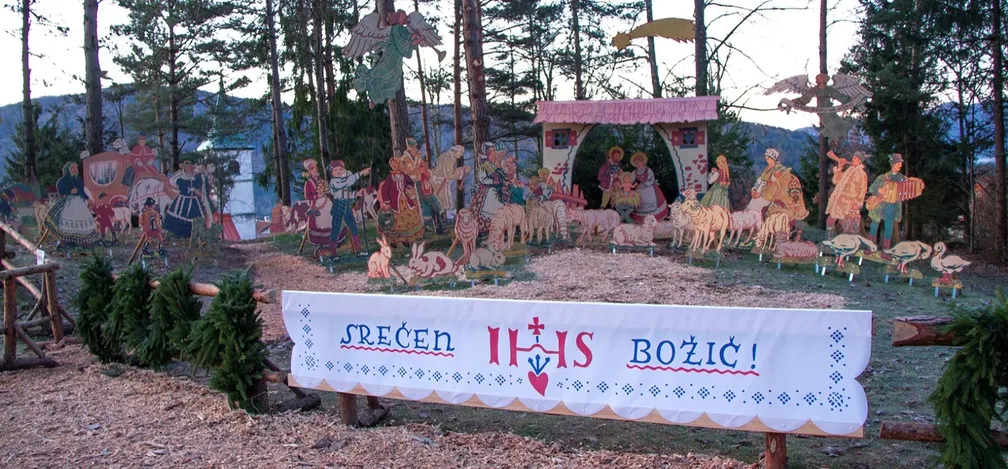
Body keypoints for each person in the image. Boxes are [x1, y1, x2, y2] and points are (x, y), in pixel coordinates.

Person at [44, 161, 100, 246]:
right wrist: (69, 191)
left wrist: (88, 199)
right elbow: (60, 190)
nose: (75, 169)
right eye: (73, 167)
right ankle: (65, 242)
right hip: (68, 201)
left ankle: (82, 242)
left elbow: (81, 191)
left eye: (76, 167)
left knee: (82, 220)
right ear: (68, 169)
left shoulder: (78, 180)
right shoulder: (63, 180)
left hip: (79, 202)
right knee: (66, 218)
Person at [377, 156, 425, 246]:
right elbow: (384, 189)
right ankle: (393, 240)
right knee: (395, 222)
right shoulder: (391, 177)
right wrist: (387, 202)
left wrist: (408, 188)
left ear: (399, 164)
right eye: (392, 165)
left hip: (404, 201)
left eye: (395, 164)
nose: (394, 166)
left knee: (407, 220)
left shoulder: (403, 176)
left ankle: (405, 239)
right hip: (394, 203)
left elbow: (410, 182)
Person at [751, 148, 809, 222]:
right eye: (766, 158)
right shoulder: (768, 169)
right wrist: (754, 189)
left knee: (764, 212)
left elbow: (771, 191)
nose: (767, 160)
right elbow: (760, 180)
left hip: (777, 203)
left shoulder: (778, 175)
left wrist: (761, 193)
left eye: (768, 158)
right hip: (798, 209)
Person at [328, 160, 371, 256]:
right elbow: (344, 187)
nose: (338, 171)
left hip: (347, 208)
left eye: (340, 169)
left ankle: (358, 251)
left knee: (354, 228)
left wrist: (356, 193)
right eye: (336, 170)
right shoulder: (334, 182)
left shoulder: (343, 180)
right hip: (338, 209)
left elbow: (346, 193)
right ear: (332, 172)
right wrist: (360, 173)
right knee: (335, 230)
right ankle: (333, 254)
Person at [868, 153, 907, 249]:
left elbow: (906, 190)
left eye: (900, 164)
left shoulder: (902, 178)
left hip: (892, 205)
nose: (900, 166)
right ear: (893, 164)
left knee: (889, 227)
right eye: (898, 164)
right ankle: (870, 246)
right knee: (875, 223)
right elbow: (872, 188)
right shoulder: (883, 177)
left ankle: (886, 248)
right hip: (880, 203)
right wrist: (879, 190)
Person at [826, 150, 868, 235]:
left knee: (847, 225)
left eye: (855, 158)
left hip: (849, 203)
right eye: (853, 157)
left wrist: (857, 203)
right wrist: (839, 167)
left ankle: (845, 240)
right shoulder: (849, 170)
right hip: (839, 201)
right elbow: (836, 181)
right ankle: (829, 238)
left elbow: (862, 190)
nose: (853, 159)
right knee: (830, 221)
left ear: (859, 161)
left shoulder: (862, 174)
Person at [629, 151, 669, 222]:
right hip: (640, 188)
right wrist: (628, 184)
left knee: (651, 197)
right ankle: (642, 218)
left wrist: (644, 184)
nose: (638, 163)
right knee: (637, 197)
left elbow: (651, 179)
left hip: (650, 186)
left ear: (643, 161)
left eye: (639, 161)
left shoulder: (648, 170)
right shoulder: (635, 172)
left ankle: (653, 217)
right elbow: (630, 180)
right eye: (636, 162)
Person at [301, 159, 332, 246]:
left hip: (326, 201)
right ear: (310, 171)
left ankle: (332, 236)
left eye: (315, 168)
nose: (315, 171)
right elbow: (307, 196)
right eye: (313, 169)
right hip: (316, 204)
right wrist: (316, 196)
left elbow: (325, 189)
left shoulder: (320, 180)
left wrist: (325, 191)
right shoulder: (308, 183)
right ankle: (322, 239)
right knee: (320, 218)